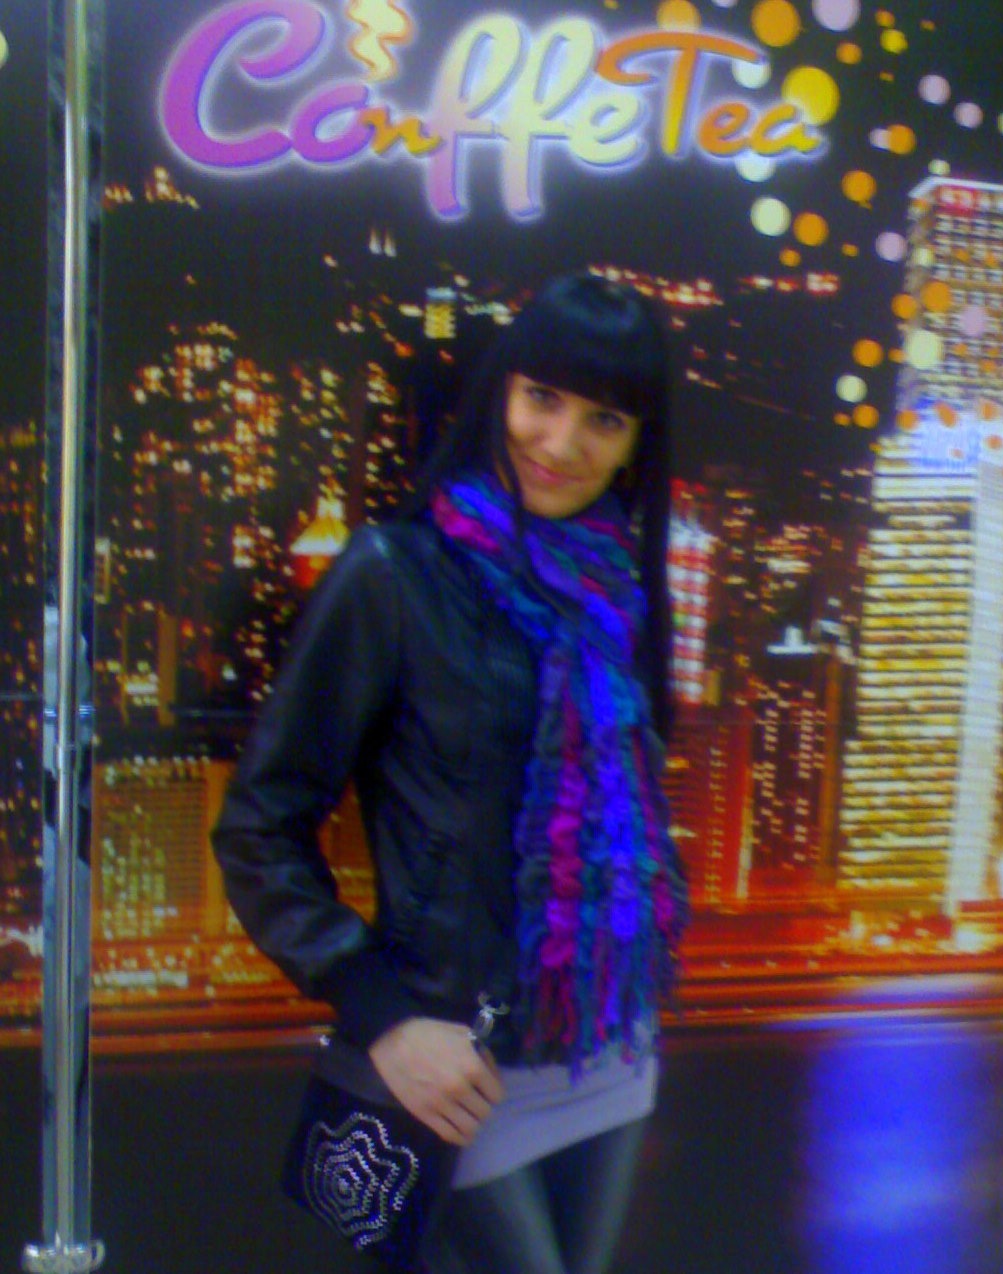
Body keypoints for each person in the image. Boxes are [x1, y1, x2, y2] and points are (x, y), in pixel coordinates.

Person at [212, 272, 689, 1274]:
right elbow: (260, 824)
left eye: (603, 418)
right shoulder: (397, 573)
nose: (561, 442)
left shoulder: (622, 599)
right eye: (542, 398)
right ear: (499, 391)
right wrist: (384, 1018)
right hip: (455, 1066)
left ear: (636, 442)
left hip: (607, 1048)